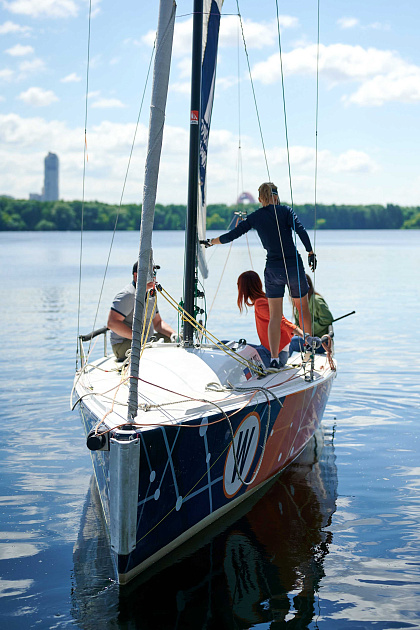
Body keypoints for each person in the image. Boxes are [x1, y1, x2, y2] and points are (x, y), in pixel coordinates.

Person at [204, 182, 316, 369]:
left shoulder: (255, 217)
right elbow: (301, 231)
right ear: (276, 196)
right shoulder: (286, 211)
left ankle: (274, 358)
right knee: (302, 308)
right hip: (293, 266)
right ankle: (309, 352)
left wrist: (210, 242)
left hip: (273, 269)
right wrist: (310, 252)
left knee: (275, 316)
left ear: (260, 199)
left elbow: (232, 235)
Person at [237, 271, 321, 368]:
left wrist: (306, 337)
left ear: (244, 288)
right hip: (271, 351)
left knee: (232, 353)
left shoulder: (261, 303)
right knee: (231, 345)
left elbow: (282, 322)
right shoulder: (266, 299)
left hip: (275, 356)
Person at [107, 261, 176, 361]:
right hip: (124, 344)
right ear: (136, 276)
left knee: (175, 343)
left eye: (154, 273)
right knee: (158, 349)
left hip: (146, 340)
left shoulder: (151, 295)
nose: (153, 277)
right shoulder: (128, 295)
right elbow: (112, 323)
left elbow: (158, 323)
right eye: (149, 274)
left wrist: (173, 334)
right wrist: (140, 339)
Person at [289, 274, 333, 355]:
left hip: (320, 343)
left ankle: (279, 361)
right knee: (284, 339)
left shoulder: (316, 300)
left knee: (290, 342)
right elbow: (297, 324)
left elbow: (328, 319)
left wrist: (307, 328)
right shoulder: (298, 302)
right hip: (305, 338)